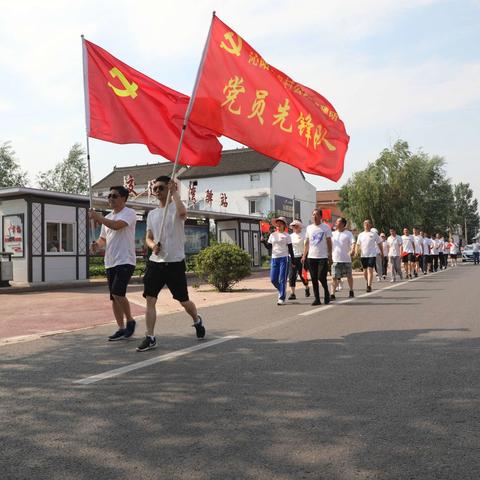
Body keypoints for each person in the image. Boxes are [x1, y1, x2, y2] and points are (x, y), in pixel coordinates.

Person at [138, 176, 205, 352]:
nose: (157, 191)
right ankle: (150, 336)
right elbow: (149, 237)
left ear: (168, 188)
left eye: (161, 187)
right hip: (156, 263)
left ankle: (197, 320)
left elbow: (183, 214)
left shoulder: (176, 207)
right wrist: (153, 247)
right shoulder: (152, 214)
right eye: (155, 188)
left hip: (175, 262)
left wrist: (175, 192)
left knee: (183, 301)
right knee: (150, 299)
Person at [89, 186, 137, 342]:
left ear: (123, 198)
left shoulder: (129, 213)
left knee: (118, 292)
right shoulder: (108, 217)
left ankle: (130, 320)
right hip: (110, 262)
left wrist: (97, 217)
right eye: (109, 196)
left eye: (114, 196)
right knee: (114, 297)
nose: (110, 198)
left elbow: (117, 226)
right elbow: (104, 239)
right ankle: (121, 328)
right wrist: (97, 245)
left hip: (125, 260)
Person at [302, 209, 332, 305]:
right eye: (313, 215)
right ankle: (317, 299)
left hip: (322, 256)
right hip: (311, 257)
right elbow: (307, 243)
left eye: (316, 215)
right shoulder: (309, 228)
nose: (314, 217)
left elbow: (328, 241)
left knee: (321, 277)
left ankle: (326, 292)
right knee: (314, 278)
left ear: (320, 216)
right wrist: (304, 255)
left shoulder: (325, 227)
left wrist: (330, 254)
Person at [263, 217, 295, 305]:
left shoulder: (287, 236)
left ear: (284, 225)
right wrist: (263, 242)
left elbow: (290, 249)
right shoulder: (272, 235)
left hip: (284, 259)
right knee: (273, 279)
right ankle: (281, 291)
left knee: (282, 279)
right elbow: (269, 247)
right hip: (274, 258)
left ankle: (281, 298)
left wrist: (293, 261)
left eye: (281, 223)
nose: (278, 225)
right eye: (277, 223)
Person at [330, 217, 355, 300]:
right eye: (336, 222)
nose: (336, 223)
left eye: (338, 222)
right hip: (336, 259)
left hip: (346, 259)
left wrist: (352, 250)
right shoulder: (332, 234)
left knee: (349, 276)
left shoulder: (348, 234)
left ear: (343, 224)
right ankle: (332, 294)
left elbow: (353, 243)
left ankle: (351, 290)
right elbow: (329, 244)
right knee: (334, 277)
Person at [356, 219, 383, 292]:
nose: (366, 225)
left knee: (370, 269)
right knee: (364, 271)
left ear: (370, 225)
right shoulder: (361, 234)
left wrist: (381, 251)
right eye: (365, 224)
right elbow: (358, 244)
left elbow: (379, 243)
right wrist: (356, 251)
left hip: (372, 254)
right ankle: (367, 281)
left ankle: (369, 286)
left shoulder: (374, 234)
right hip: (363, 255)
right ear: (363, 225)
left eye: (368, 224)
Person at [288, 219, 310, 300]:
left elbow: (306, 246)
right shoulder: (290, 236)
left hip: (302, 257)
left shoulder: (304, 235)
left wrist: (304, 256)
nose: (294, 227)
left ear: (300, 226)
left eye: (296, 226)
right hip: (292, 258)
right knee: (292, 275)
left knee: (303, 276)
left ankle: (307, 287)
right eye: (293, 226)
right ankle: (292, 293)